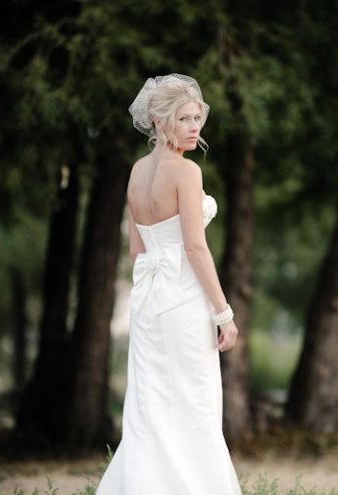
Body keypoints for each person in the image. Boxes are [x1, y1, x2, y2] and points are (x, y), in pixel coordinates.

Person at [96, 74, 242, 494]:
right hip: (182, 305)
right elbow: (195, 248)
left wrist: (151, 296)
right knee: (194, 404)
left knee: (151, 407)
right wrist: (223, 313)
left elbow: (137, 251)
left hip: (148, 306)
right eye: (184, 118)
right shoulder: (186, 171)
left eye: (198, 117)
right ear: (160, 122)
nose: (195, 127)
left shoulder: (137, 172)